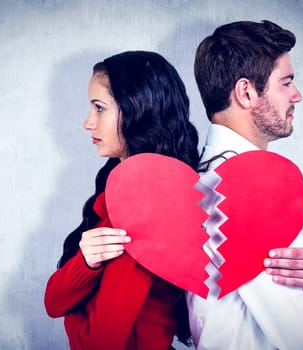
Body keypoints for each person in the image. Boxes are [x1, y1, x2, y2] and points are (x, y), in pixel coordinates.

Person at [187, 20, 303, 349]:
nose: (297, 95)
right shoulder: (239, 193)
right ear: (246, 92)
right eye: (286, 82)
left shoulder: (204, 178)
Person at [44, 51, 199, 349]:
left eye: (99, 108)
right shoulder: (118, 187)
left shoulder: (145, 202)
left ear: (138, 110)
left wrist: (73, 316)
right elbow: (53, 301)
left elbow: (101, 342)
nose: (88, 123)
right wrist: (86, 264)